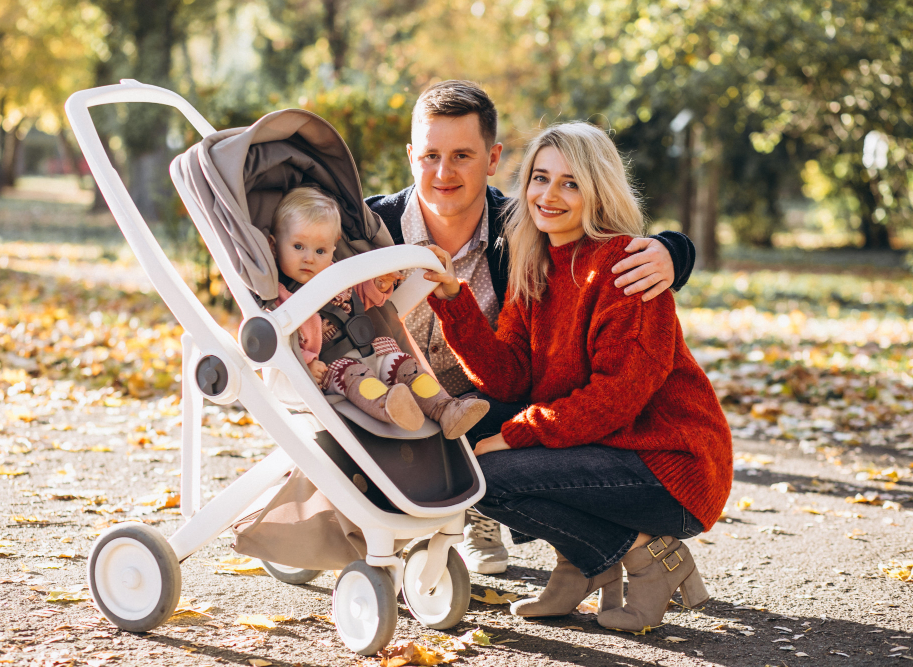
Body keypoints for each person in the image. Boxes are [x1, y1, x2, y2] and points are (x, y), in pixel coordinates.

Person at [366, 80, 697, 574]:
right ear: (411, 155)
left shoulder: (519, 227)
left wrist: (673, 250)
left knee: (486, 456)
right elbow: (304, 252)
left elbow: (600, 240)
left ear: (493, 158)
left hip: (495, 403)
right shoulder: (372, 228)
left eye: (462, 155)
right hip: (391, 389)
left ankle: (487, 517)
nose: (443, 172)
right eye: (431, 155)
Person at [422, 121, 732, 633]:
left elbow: (614, 399)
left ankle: (649, 557)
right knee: (466, 444)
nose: (549, 195)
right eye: (540, 178)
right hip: (610, 447)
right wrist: (454, 302)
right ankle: (584, 564)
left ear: (598, 190)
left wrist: (514, 436)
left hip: (670, 464)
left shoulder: (625, 268)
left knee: (483, 476)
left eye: (570, 183)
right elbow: (508, 379)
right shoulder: (537, 263)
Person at [268, 186, 490, 439]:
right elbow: (280, 341)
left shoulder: (340, 274)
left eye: (320, 251)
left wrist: (380, 284)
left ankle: (447, 409)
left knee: (407, 367)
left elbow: (365, 296)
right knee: (356, 376)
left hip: (376, 349)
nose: (309, 258)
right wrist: (306, 364)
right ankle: (391, 407)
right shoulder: (279, 297)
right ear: (274, 246)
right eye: (298, 246)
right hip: (335, 365)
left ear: (333, 249)